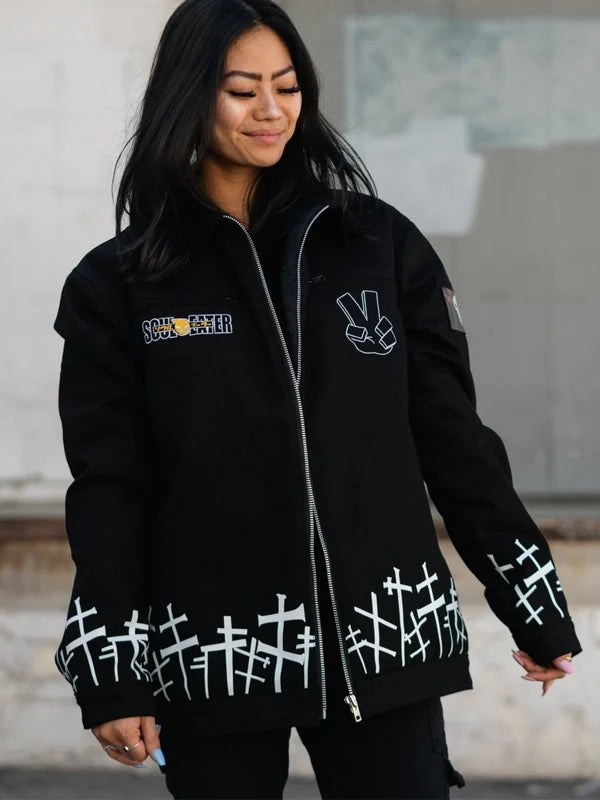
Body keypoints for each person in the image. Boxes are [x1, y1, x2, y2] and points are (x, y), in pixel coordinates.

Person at [52, 1, 582, 798]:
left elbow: (453, 438)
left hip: (385, 641)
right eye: (243, 90)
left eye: (289, 85)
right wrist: (111, 669)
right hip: (218, 652)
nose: (272, 110)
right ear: (188, 96)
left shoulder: (377, 245)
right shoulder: (118, 284)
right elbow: (109, 487)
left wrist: (530, 599)